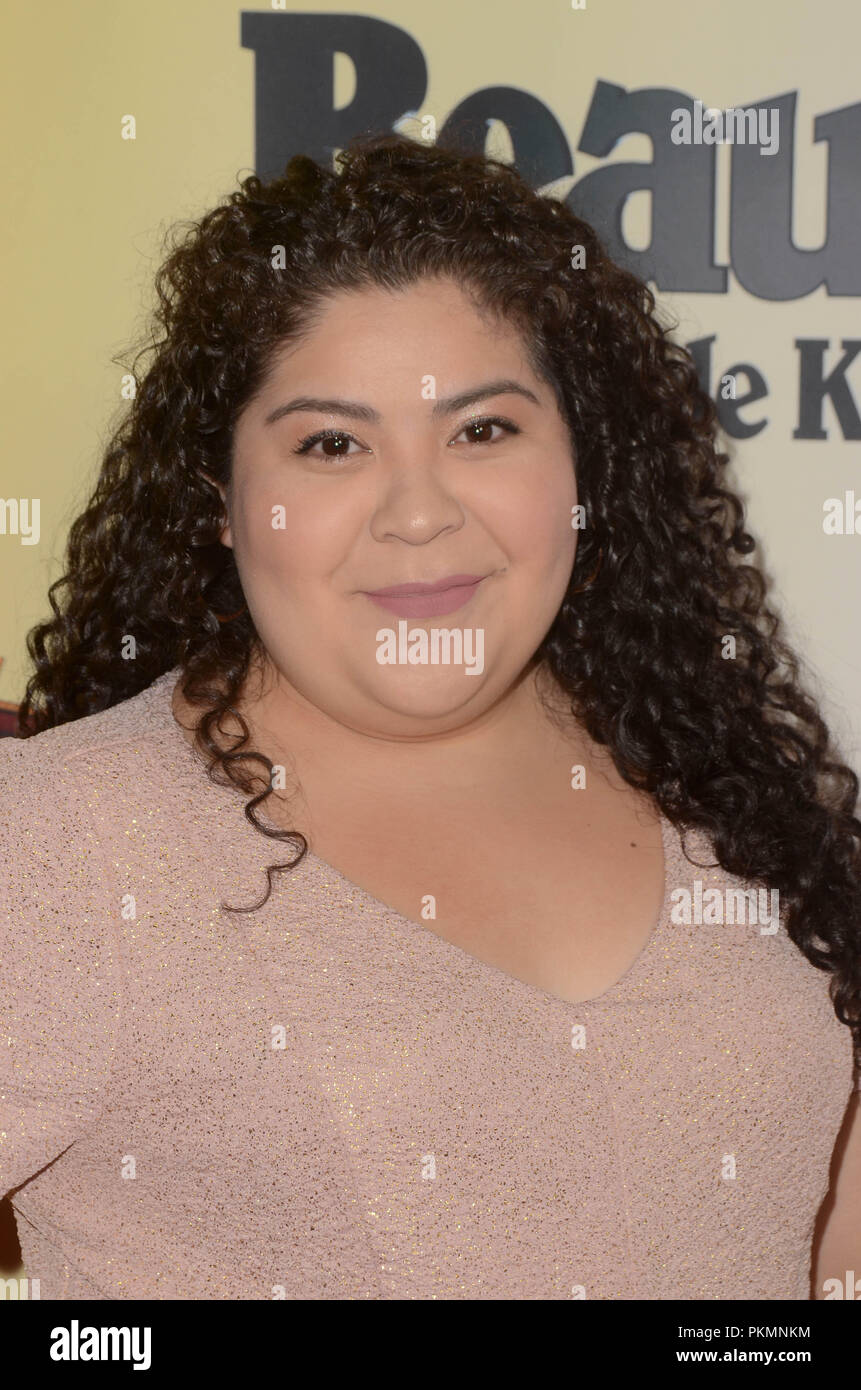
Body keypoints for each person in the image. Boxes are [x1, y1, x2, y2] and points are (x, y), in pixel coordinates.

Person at [1, 132, 859, 1301]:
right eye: (332, 443)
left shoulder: (731, 788)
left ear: (584, 470)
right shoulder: (62, 846)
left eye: (483, 429)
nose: (417, 512)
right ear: (221, 502)